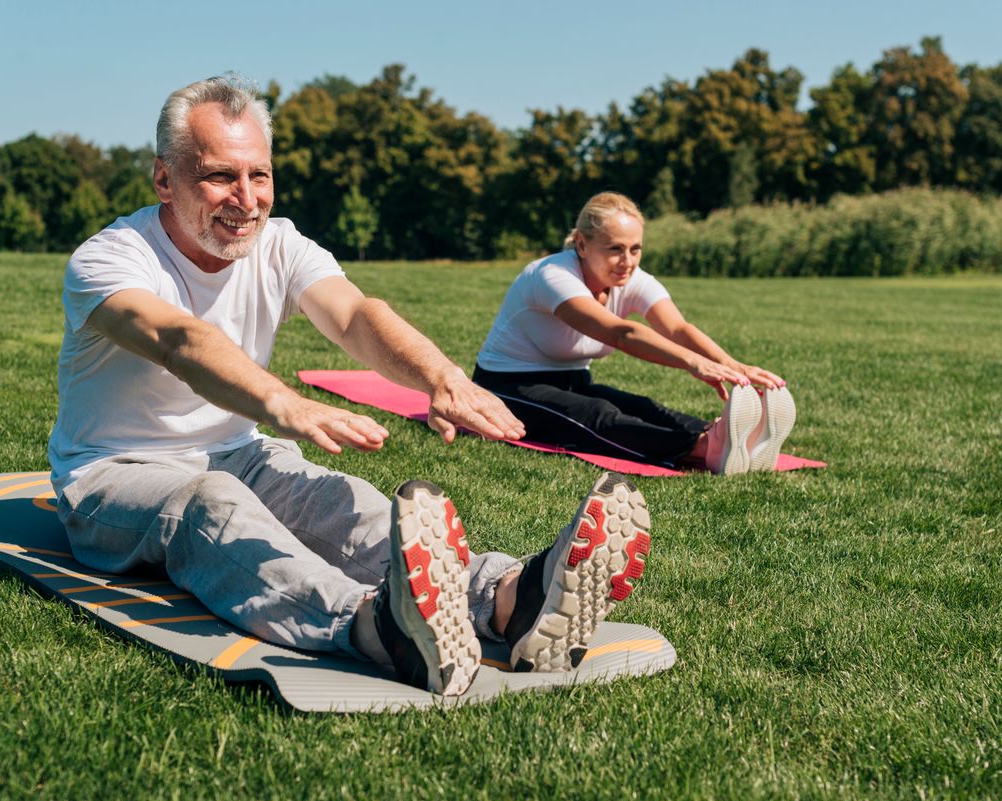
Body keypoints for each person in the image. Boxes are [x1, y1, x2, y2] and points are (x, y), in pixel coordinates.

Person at [47, 75, 651, 697]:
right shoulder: (110, 259)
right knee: (210, 507)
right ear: (164, 179)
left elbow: (357, 315)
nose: (247, 199)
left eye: (260, 175)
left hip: (240, 454)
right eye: (219, 176)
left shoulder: (279, 244)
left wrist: (440, 378)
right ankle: (375, 625)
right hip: (113, 474)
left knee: (341, 502)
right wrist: (282, 403)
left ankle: (508, 600)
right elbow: (179, 340)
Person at [473, 192, 796, 476]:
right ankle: (701, 448)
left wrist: (732, 366)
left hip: (572, 381)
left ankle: (724, 436)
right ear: (582, 245)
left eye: (635, 249)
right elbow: (621, 333)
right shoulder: (552, 276)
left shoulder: (631, 278)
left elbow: (677, 328)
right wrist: (692, 363)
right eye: (615, 249)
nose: (627, 261)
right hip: (507, 387)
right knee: (596, 415)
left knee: (642, 406)